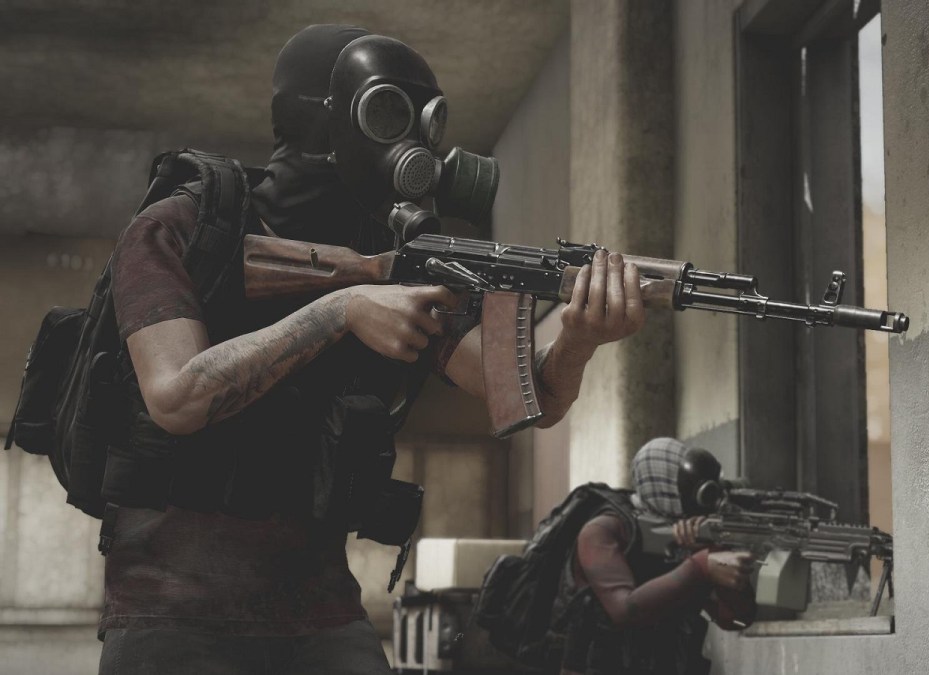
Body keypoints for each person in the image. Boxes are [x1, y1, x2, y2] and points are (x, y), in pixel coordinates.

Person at [98, 25, 644, 675]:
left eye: (425, 123)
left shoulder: (392, 261)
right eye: (389, 115)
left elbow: (526, 393)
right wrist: (341, 309)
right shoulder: (187, 227)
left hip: (320, 608)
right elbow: (175, 396)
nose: (414, 145)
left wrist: (580, 336)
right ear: (321, 118)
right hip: (172, 608)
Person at [560, 438, 757, 675]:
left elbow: (736, 621)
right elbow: (624, 610)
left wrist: (717, 558)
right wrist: (699, 565)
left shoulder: (688, 534)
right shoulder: (602, 531)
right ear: (666, 487)